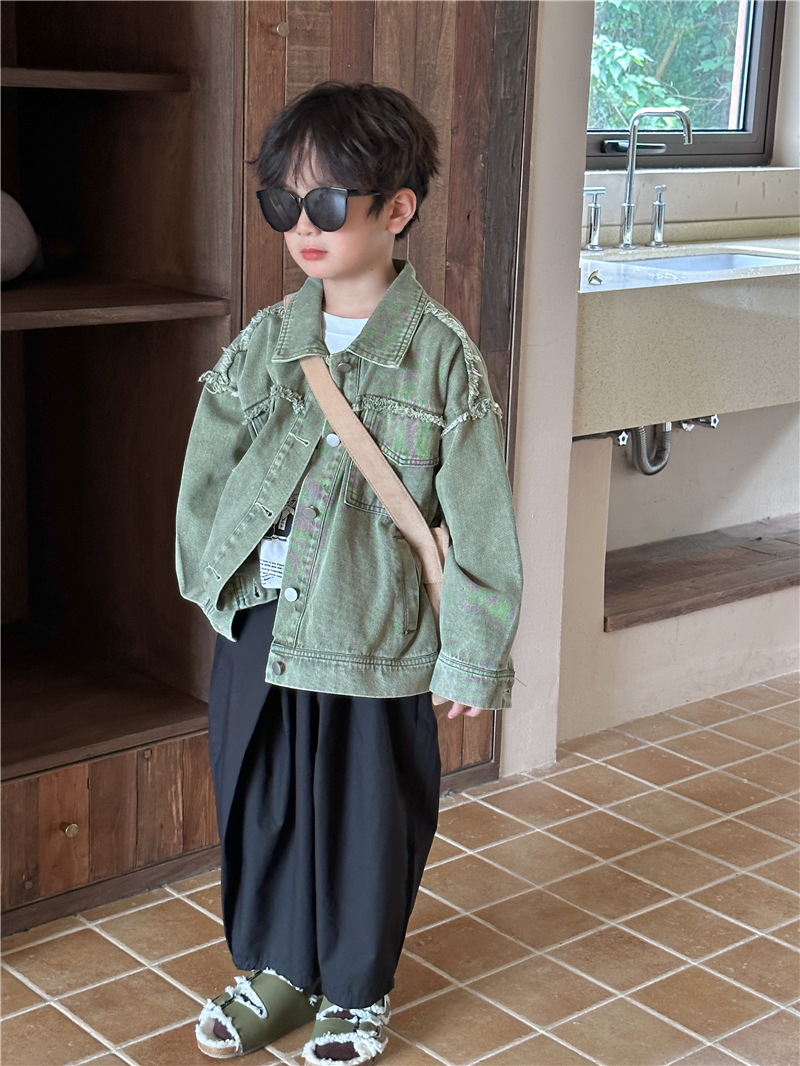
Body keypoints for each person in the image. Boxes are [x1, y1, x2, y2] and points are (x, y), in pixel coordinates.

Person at [175, 81, 523, 1065]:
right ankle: (277, 973)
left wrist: (472, 652)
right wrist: (213, 581)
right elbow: (208, 467)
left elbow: (480, 517)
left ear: (396, 208)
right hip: (262, 621)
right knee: (260, 800)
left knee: (367, 817)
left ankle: (356, 993)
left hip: (372, 628)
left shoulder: (440, 358)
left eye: (326, 202)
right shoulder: (267, 340)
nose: (302, 226)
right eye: (282, 202)